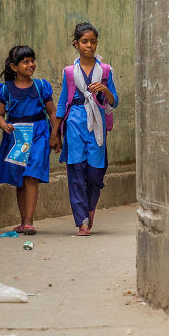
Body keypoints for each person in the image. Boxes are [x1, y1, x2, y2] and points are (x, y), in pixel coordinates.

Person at [49, 23, 119, 236]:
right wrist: (55, 132)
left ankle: (90, 208)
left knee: (95, 174)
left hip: (97, 125)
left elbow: (114, 102)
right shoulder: (69, 72)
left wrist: (104, 89)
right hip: (74, 124)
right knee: (76, 172)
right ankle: (82, 221)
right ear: (76, 44)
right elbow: (63, 102)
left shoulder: (105, 70)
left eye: (93, 41)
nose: (89, 45)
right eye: (84, 41)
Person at [0, 45, 59, 236]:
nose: (31, 65)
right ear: (14, 67)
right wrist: (4, 125)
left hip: (39, 134)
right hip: (17, 137)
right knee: (20, 178)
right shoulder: (5, 90)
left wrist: (55, 134)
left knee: (32, 175)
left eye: (32, 61)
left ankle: (29, 222)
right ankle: (23, 222)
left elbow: (52, 111)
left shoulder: (41, 86)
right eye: (25, 62)